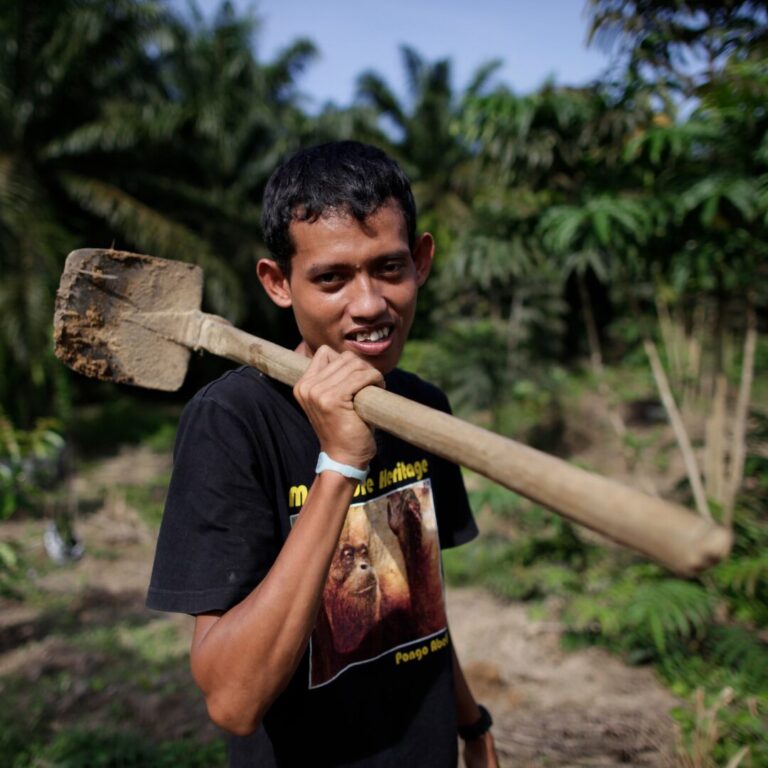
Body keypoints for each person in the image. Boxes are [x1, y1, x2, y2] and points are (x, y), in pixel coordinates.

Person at [147, 141, 498, 767]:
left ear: (421, 262)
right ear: (279, 283)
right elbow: (232, 701)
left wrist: (472, 724)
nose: (368, 304)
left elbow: (417, 610)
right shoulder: (233, 423)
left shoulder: (422, 409)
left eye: (389, 267)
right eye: (331, 278)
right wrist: (339, 465)